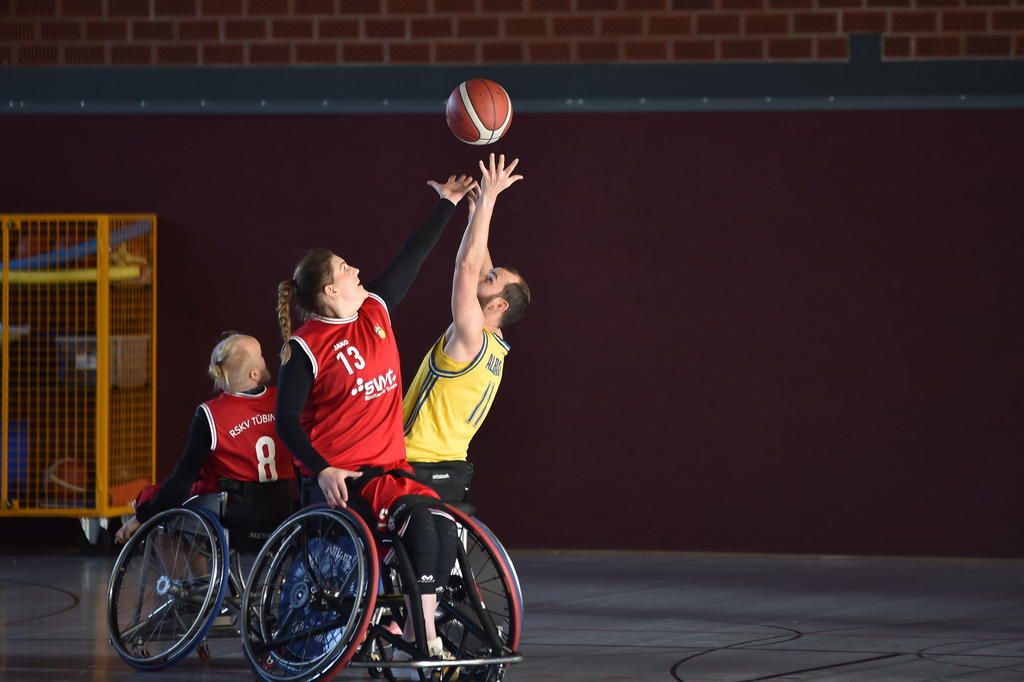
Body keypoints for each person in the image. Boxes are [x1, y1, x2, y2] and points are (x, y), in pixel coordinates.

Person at [273, 171, 476, 673]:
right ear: (328, 287)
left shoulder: (374, 309)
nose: (357, 268)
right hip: (343, 479)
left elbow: (414, 253)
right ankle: (426, 640)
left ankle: (413, 632)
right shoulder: (306, 347)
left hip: (390, 471)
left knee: (446, 530)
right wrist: (320, 469)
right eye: (345, 267)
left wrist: (447, 204)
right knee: (422, 528)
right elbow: (285, 422)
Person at [402, 154, 528, 512]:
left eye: (492, 281)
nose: (484, 277)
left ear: (499, 306)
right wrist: (475, 218)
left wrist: (490, 197)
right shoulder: (496, 346)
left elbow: (466, 266)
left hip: (414, 461)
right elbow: (482, 269)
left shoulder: (471, 334)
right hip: (453, 467)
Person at [114, 332, 295, 545]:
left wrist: (142, 516)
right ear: (255, 374)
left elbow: (180, 482)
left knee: (158, 509)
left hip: (229, 512)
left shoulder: (211, 414)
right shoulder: (283, 400)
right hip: (280, 508)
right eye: (262, 355)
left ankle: (194, 578)